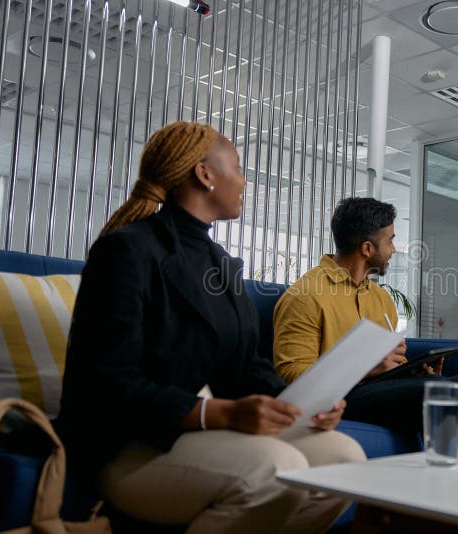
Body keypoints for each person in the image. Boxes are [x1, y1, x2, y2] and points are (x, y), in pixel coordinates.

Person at [57, 122, 365, 533]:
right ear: (204, 175)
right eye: (237, 168)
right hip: (131, 446)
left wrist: (302, 404)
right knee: (277, 468)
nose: (244, 181)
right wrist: (219, 412)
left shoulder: (220, 263)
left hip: (196, 434)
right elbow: (109, 384)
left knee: (344, 459)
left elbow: (244, 367)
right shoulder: (126, 250)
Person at [273, 197, 458, 444]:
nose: (393, 249)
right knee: (437, 391)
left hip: (382, 390)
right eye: (390, 241)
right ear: (367, 249)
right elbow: (292, 376)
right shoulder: (305, 295)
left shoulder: (380, 298)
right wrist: (365, 368)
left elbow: (390, 363)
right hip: (343, 398)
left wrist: (412, 371)